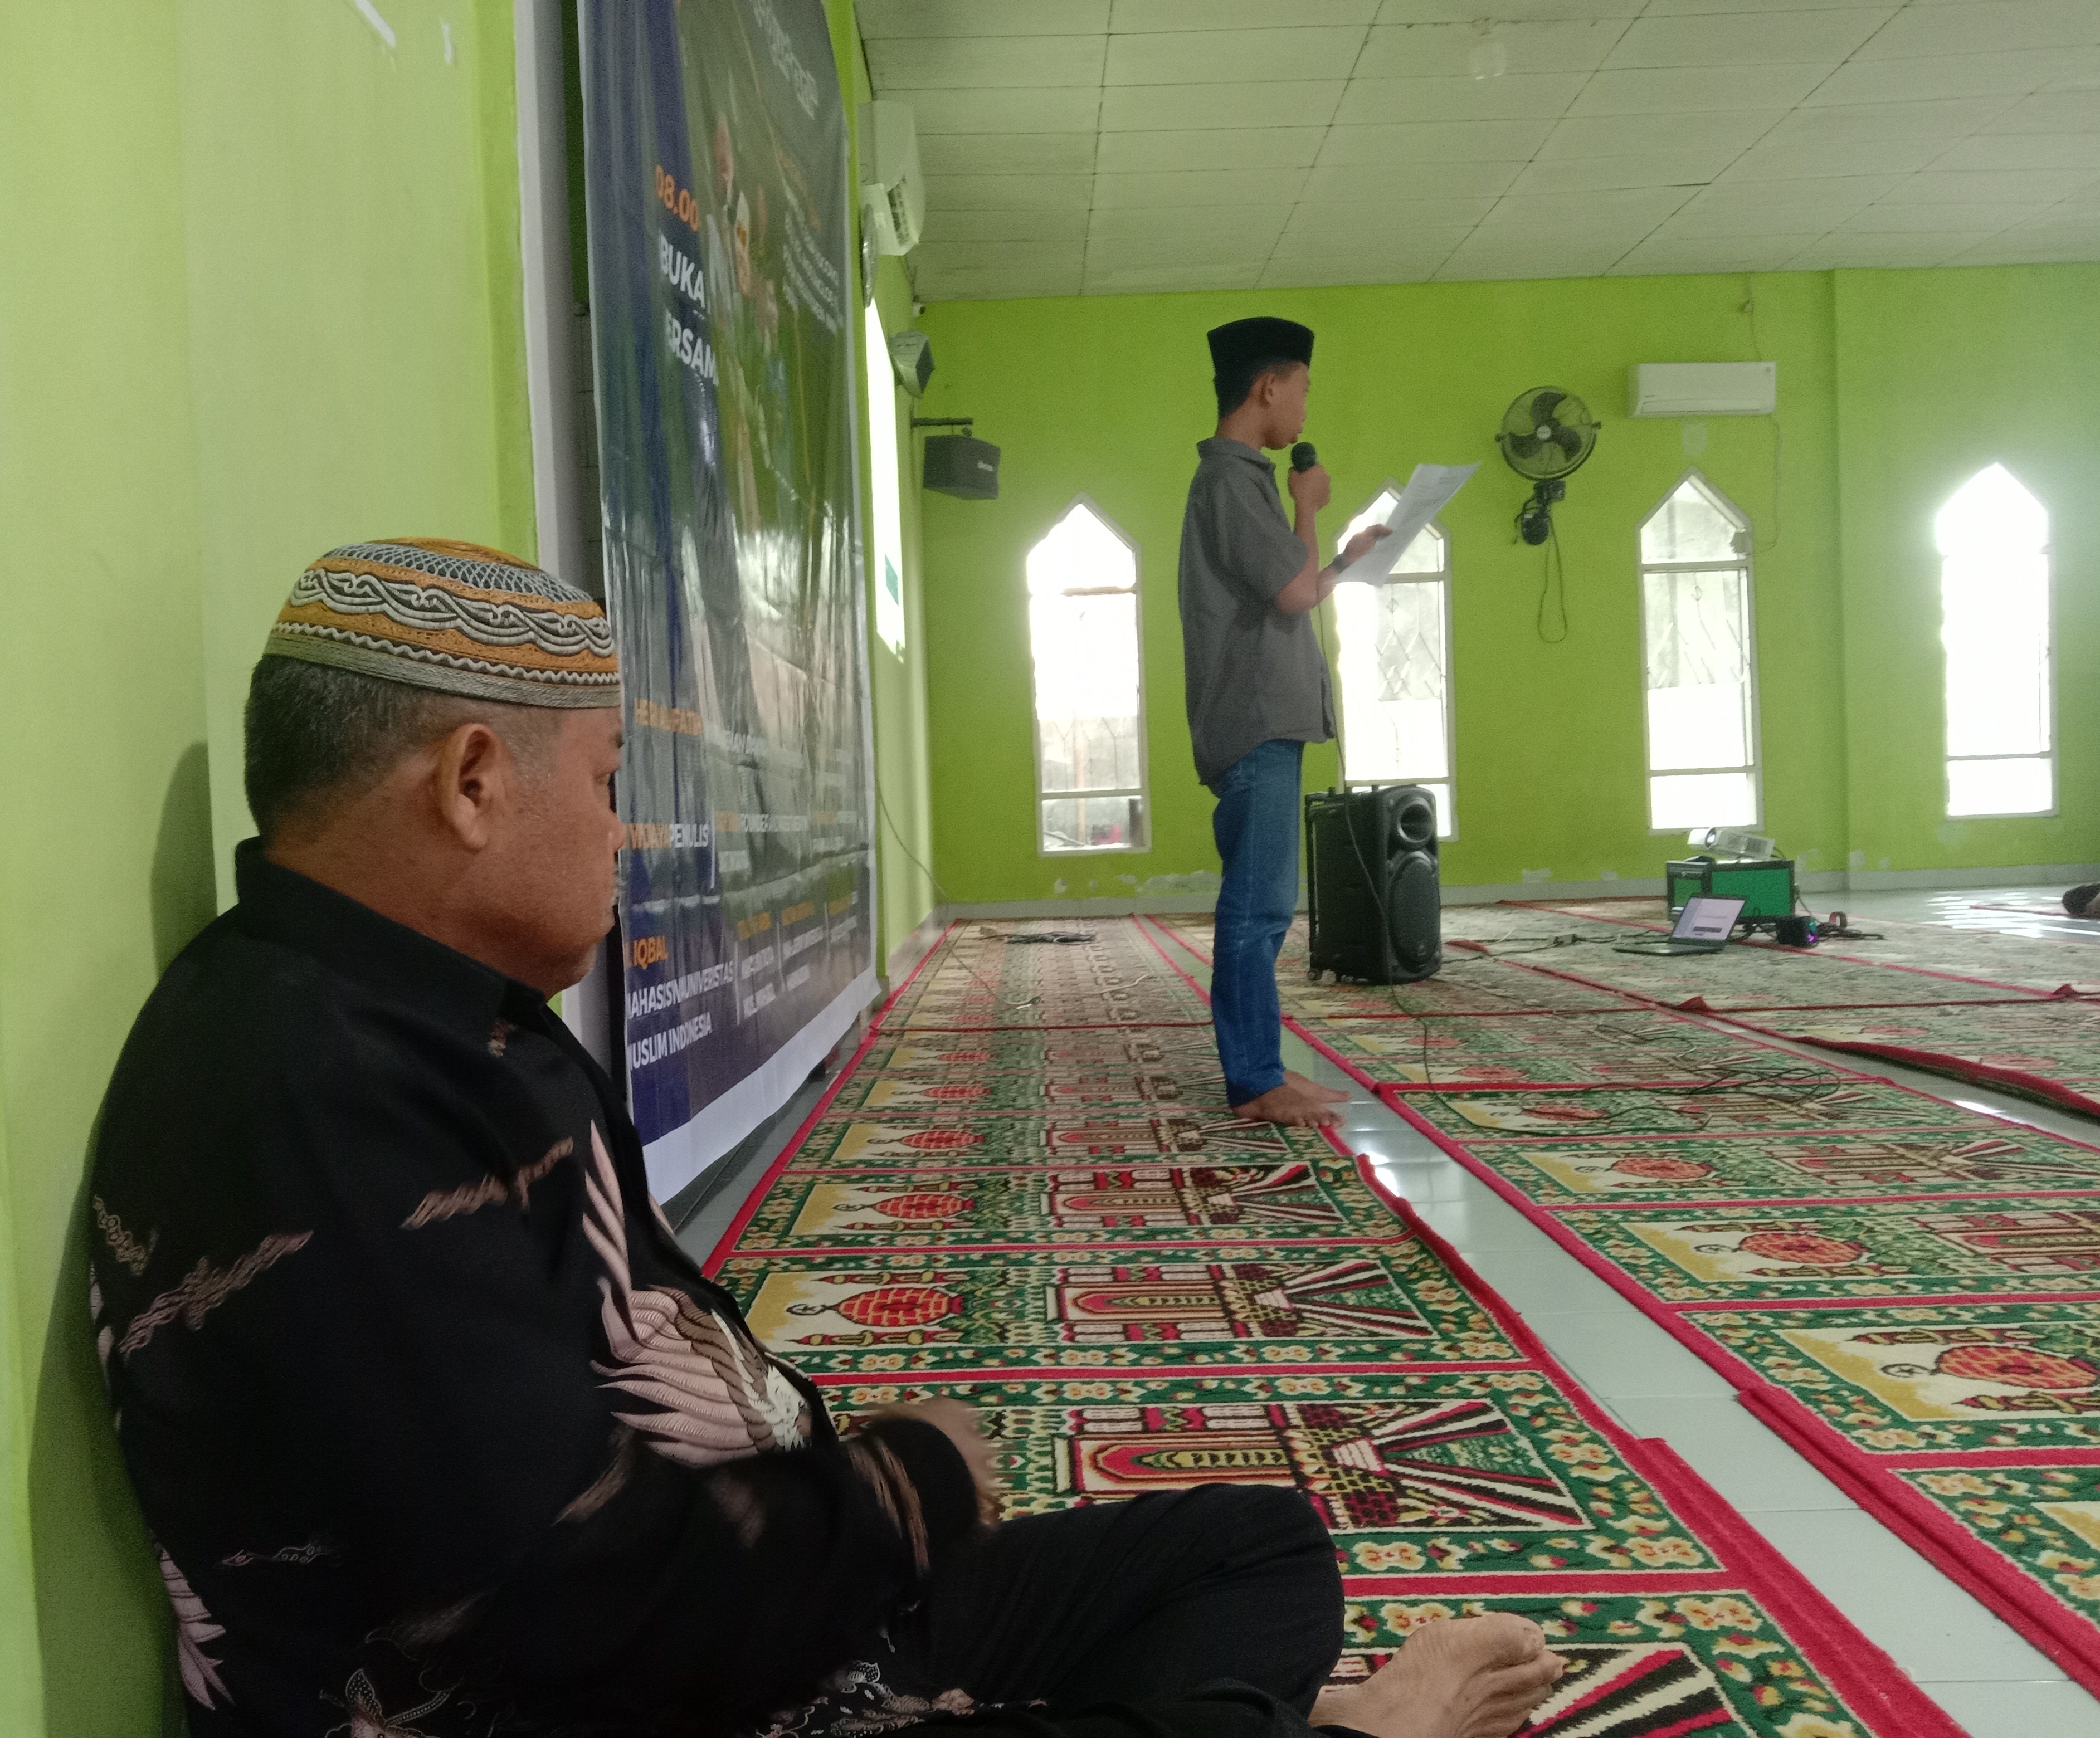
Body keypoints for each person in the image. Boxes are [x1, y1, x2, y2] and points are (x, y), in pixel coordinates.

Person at [90, 538, 1563, 1737]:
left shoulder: (426, 1017)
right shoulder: (309, 1092)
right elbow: (570, 1611)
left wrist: (848, 1508)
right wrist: (901, 1491)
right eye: (604, 783)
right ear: (472, 782)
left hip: (759, 1630)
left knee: (1259, 1549)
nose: (621, 834)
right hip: (635, 1693)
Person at [1178, 319, 1392, 1127]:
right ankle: (1254, 1082)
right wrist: (1309, 508)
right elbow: (1295, 595)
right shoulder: (1232, 482)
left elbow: (1294, 587)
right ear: (1268, 387)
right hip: (1255, 721)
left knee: (1265, 906)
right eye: (1302, 388)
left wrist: (1343, 560)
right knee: (1256, 909)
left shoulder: (1241, 482)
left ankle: (1262, 1068)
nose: (1305, 408)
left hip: (1268, 718)